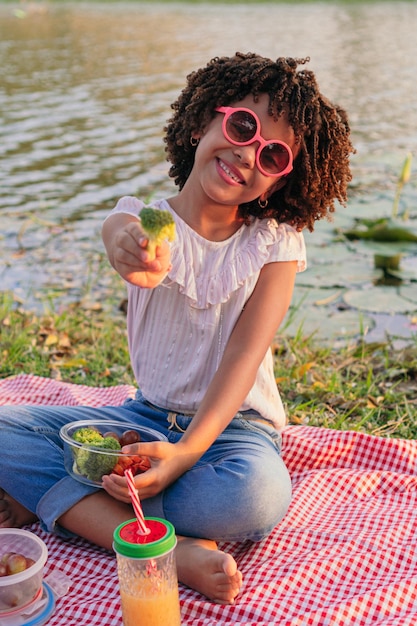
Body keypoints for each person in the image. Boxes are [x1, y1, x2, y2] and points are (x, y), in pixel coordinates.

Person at [0, 52, 354, 605]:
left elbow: (245, 354)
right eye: (243, 124)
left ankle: (66, 501)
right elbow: (121, 234)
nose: (247, 151)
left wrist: (186, 455)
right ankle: (172, 545)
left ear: (277, 183)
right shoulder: (144, 219)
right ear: (201, 123)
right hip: (140, 419)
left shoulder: (274, 245)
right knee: (4, 432)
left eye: (273, 154)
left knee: (256, 496)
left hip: (236, 431)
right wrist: (131, 249)